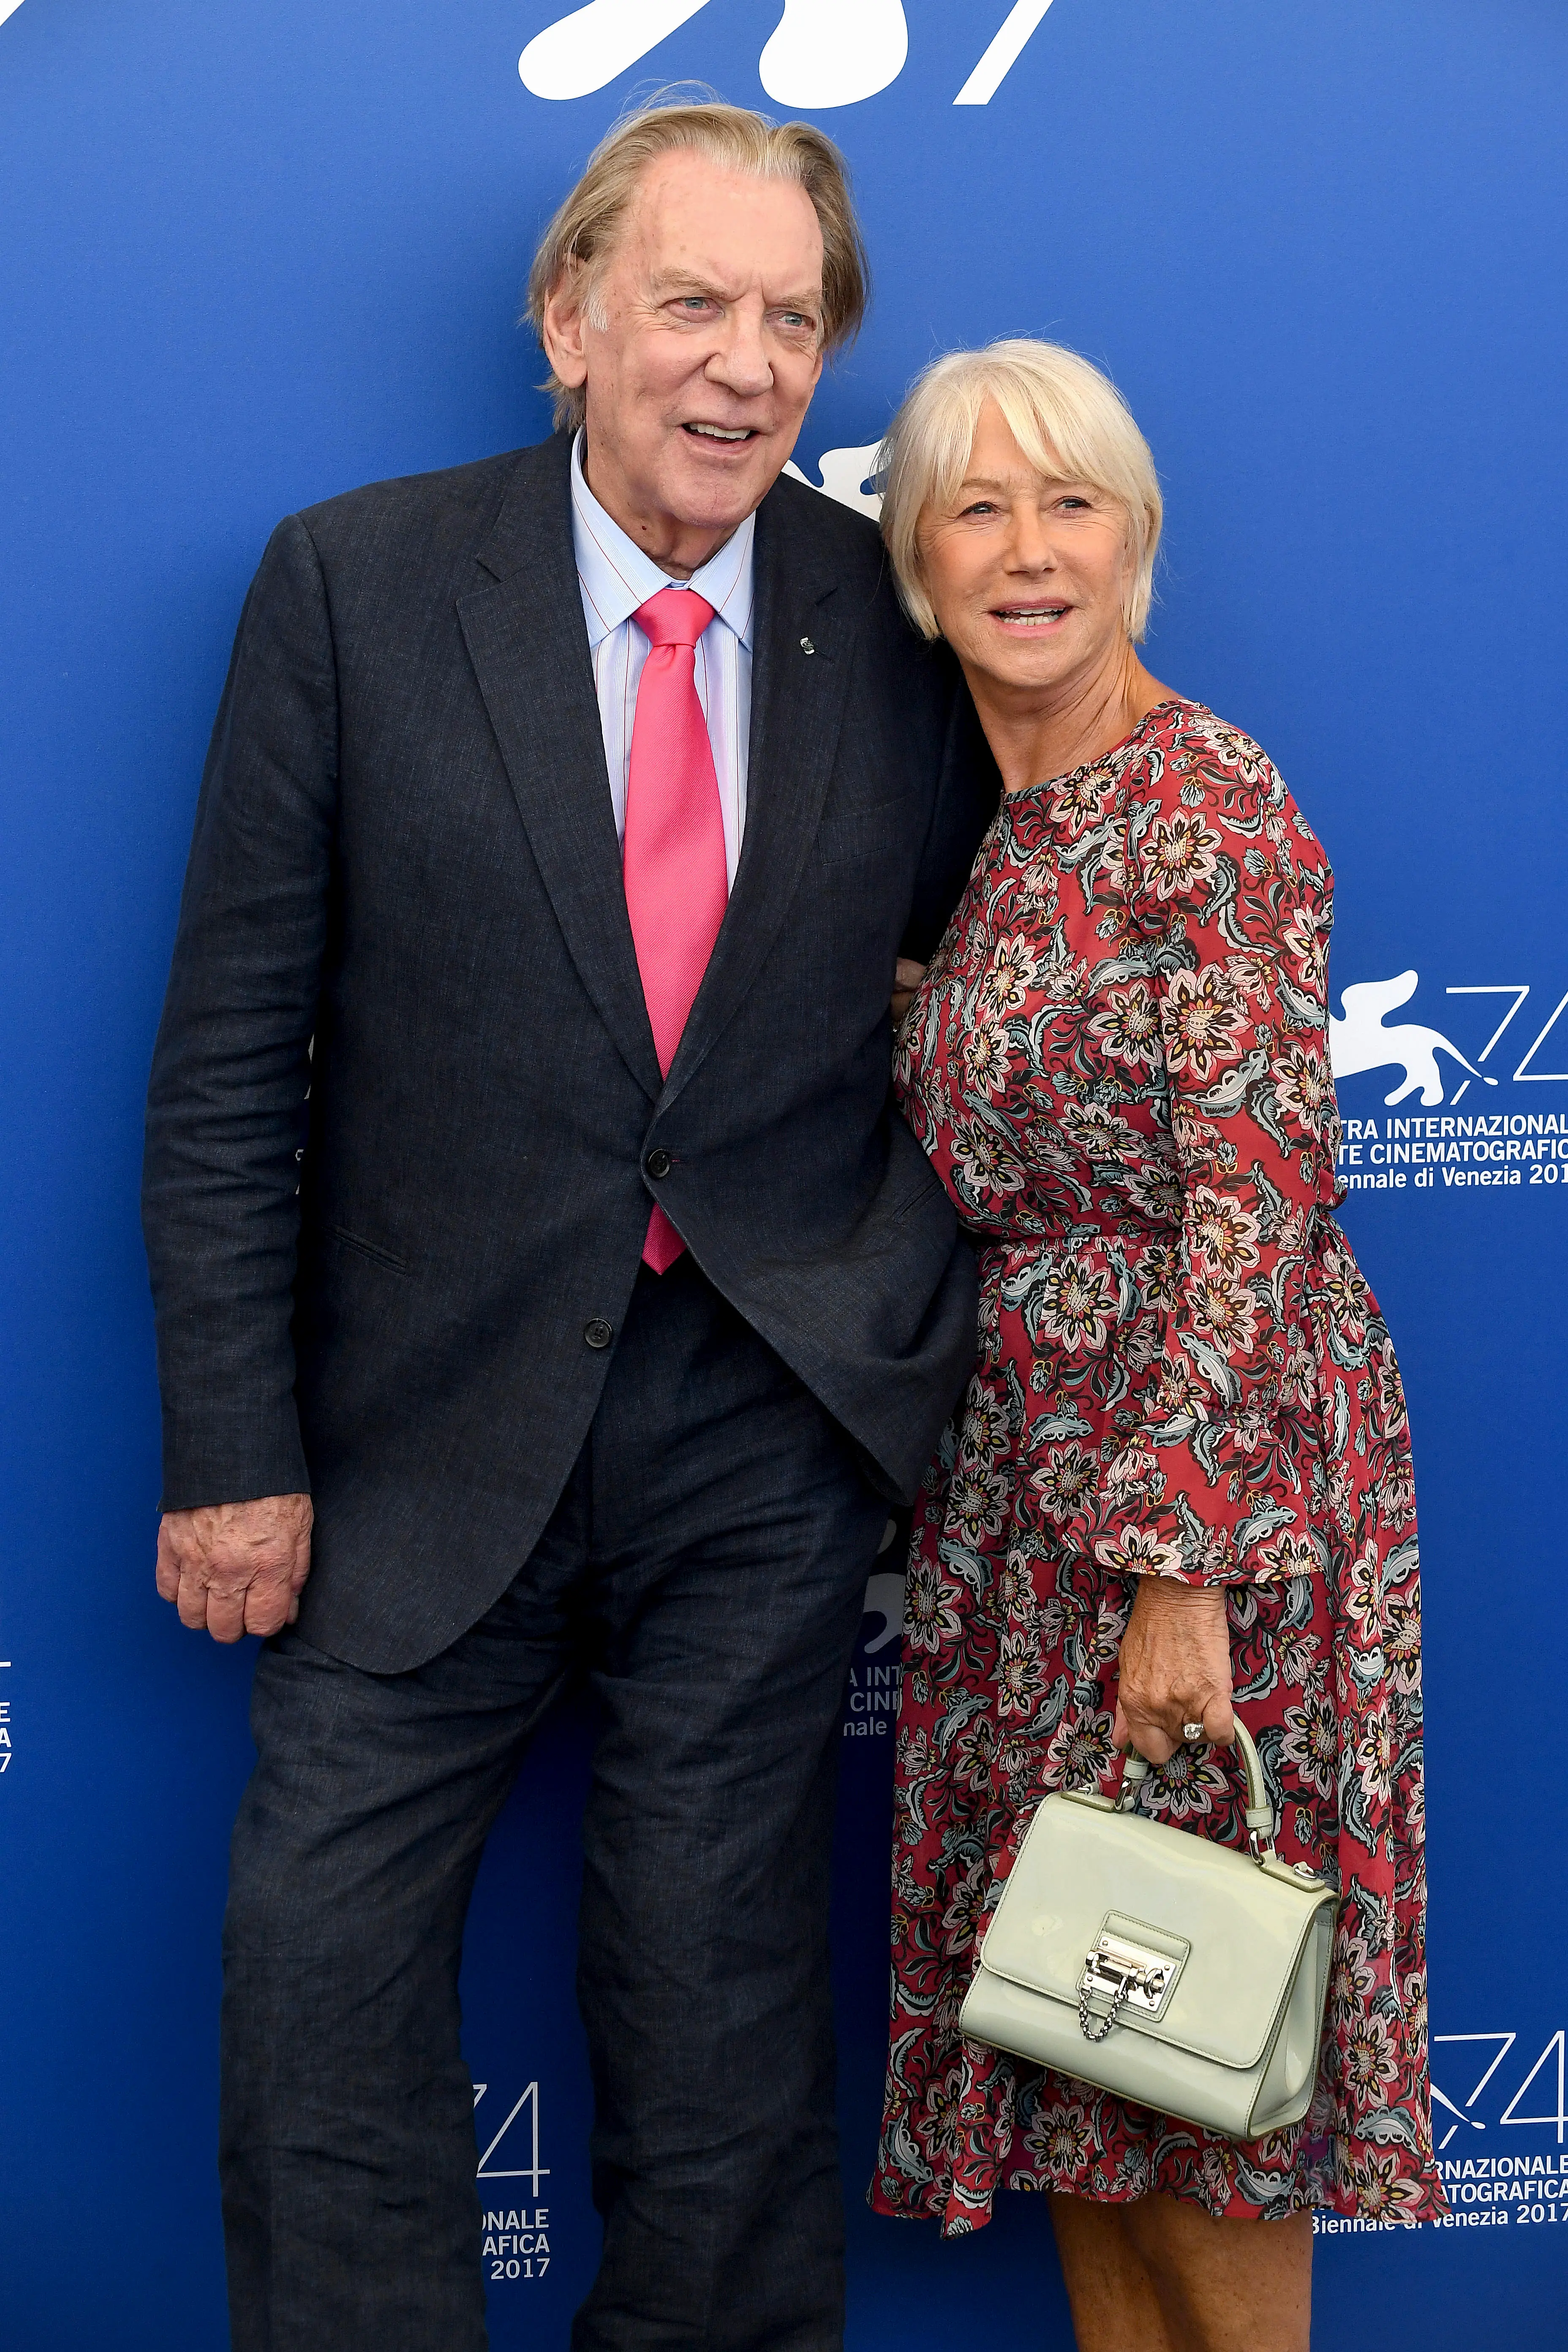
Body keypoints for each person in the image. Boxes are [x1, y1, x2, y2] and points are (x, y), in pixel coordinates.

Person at [141, 101, 994, 2352]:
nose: (745, 366)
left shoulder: (894, 631)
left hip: (757, 1438)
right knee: (320, 2010)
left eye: (794, 319)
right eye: (694, 304)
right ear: (570, 321)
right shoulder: (353, 587)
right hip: (416, 1439)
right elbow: (232, 1060)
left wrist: (892, 1344)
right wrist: (234, 1447)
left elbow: (1006, 996)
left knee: (719, 2037)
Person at [868, 340, 1445, 2350]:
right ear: (917, 568)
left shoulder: (1205, 803)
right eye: (978, 508)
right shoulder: (1007, 830)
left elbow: (1256, 1212)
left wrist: (1175, 1567)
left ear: (1137, 544)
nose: (1031, 552)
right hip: (1031, 1516)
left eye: (1073, 504)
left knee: (1202, 2103)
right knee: (1093, 2088)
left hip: (1206, 1514)